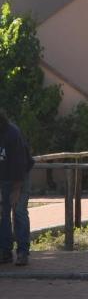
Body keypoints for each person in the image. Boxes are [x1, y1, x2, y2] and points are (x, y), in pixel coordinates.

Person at [0, 110, 33, 266]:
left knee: (18, 212)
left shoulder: (12, 133)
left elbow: (20, 164)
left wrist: (16, 190)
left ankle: (22, 252)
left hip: (20, 177)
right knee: (3, 214)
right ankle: (5, 252)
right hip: (4, 178)